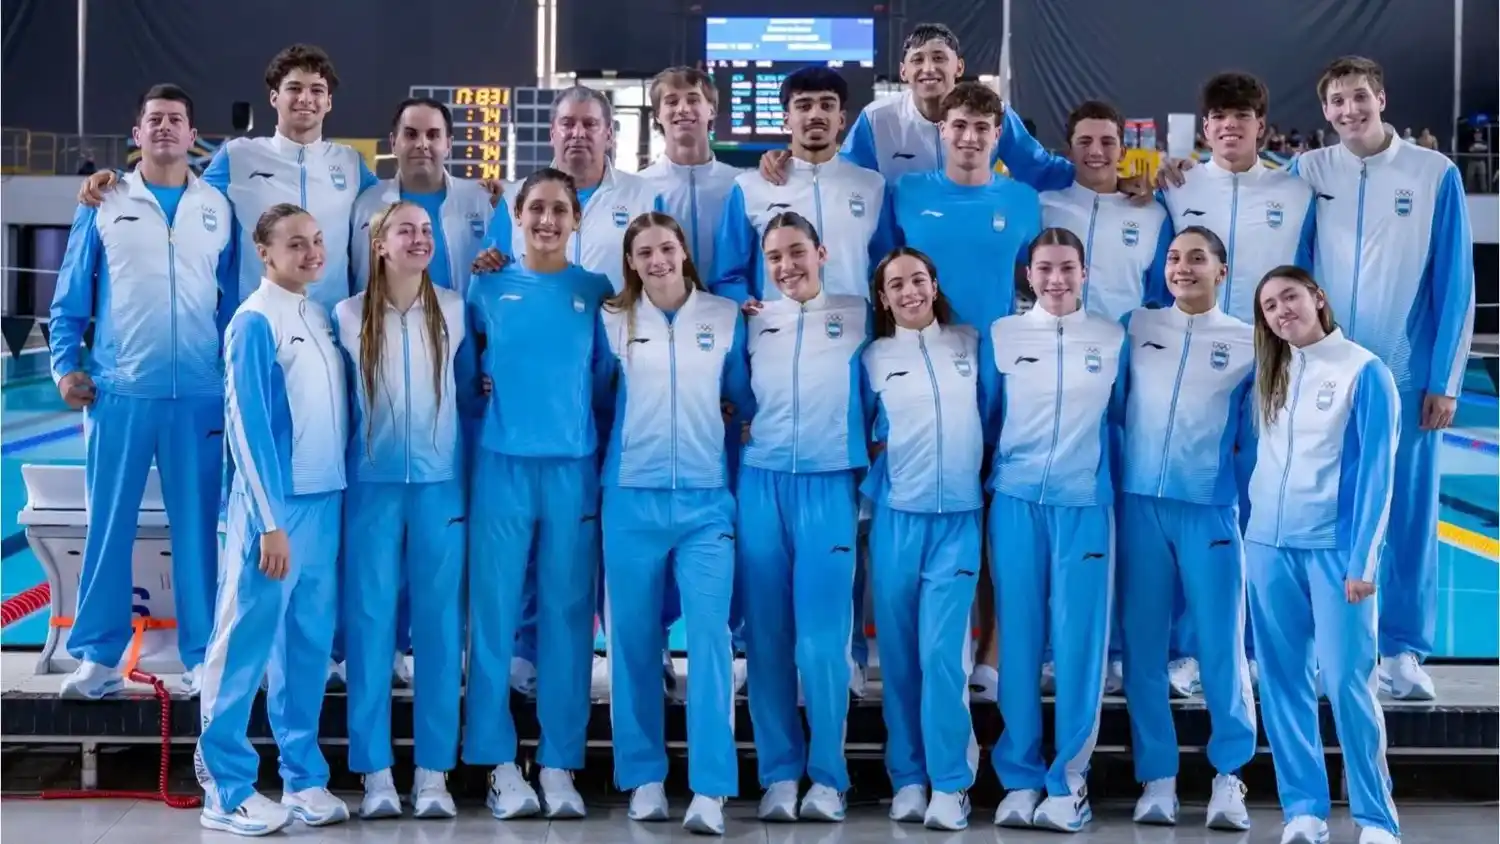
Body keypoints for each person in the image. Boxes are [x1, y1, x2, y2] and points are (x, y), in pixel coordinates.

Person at [1290, 56, 1475, 702]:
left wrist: (1445, 380)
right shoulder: (1310, 171)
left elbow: (1456, 284)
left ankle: (1402, 649)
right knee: (1329, 512)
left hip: (1405, 375)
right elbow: (1280, 248)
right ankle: (1334, 646)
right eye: (1337, 101)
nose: (1350, 110)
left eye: (1360, 97)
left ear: (1382, 98)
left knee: (1408, 514)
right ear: (1325, 110)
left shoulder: (1434, 173)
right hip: (1328, 376)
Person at [49, 83, 234, 700]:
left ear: (192, 136)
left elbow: (233, 306)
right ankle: (99, 657)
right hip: (120, 393)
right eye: (154, 119)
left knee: (198, 532)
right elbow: (70, 297)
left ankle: (202, 655)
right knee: (109, 527)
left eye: (175, 119)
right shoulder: (104, 201)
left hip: (200, 398)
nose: (164, 128)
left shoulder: (217, 207)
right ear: (137, 134)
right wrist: (63, 367)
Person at [593, 211, 754, 835]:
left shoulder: (723, 316)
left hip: (705, 502)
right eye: (644, 252)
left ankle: (710, 788)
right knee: (632, 641)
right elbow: (598, 400)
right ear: (631, 262)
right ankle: (644, 778)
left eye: (666, 248)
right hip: (630, 497)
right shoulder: (612, 320)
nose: (657, 260)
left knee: (709, 640)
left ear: (684, 251)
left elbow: (740, 396)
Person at [194, 204, 349, 836]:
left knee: (306, 648)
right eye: (296, 244)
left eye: (317, 241)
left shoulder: (317, 315)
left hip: (324, 502)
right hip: (274, 511)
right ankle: (225, 787)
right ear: (264, 252)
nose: (312, 253)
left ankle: (302, 777)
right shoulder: (254, 320)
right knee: (243, 644)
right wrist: (267, 522)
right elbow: (247, 426)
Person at [462, 168, 612, 821]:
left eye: (560, 210)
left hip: (572, 470)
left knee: (568, 619)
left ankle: (558, 763)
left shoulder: (595, 291)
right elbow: (467, 376)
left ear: (576, 220)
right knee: (493, 617)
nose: (547, 220)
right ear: (516, 217)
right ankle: (498, 764)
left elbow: (605, 381)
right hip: (502, 466)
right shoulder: (486, 286)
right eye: (536, 209)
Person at [1245, 266, 1401, 844]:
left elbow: (1379, 475)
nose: (1281, 311)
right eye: (1269, 306)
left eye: (1289, 297)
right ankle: (1304, 811)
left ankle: (1375, 818)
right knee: (1282, 684)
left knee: (1348, 685)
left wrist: (1364, 562)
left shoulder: (1365, 371)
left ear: (1318, 298)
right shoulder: (1272, 370)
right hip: (1268, 546)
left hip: (1335, 554)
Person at [984, 228, 1126, 834]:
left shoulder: (1113, 337)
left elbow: (1123, 418)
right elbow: (988, 416)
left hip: (1083, 507)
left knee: (1077, 644)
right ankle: (1019, 777)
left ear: (1085, 272)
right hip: (1016, 504)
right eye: (1044, 268)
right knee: (1018, 642)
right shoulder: (1003, 334)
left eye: (1067, 267)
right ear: (1029, 274)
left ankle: (1069, 780)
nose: (1056, 279)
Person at [333, 200, 469, 820]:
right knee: (369, 629)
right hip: (372, 488)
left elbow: (472, 391)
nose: (420, 238)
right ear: (379, 244)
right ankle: (376, 773)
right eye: (405, 230)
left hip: (440, 488)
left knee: (440, 630)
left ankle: (434, 774)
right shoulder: (346, 315)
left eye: (426, 230)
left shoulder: (456, 309)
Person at [1117, 226, 1257, 831]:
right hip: (1140, 507)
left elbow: (1254, 436)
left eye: (1197, 258)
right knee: (1143, 649)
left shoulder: (1249, 342)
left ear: (1221, 271)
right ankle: (1158, 776)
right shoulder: (1138, 327)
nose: (1182, 268)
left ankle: (1230, 775)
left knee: (1221, 644)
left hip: (1209, 509)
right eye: (1174, 257)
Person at [737, 212, 869, 824]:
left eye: (797, 252)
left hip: (828, 485)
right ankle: (779, 775)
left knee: (821, 643)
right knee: (766, 643)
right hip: (761, 485)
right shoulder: (752, 322)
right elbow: (733, 396)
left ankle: (829, 777)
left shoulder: (859, 315)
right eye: (774, 257)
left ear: (821, 252)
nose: (787, 265)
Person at [78, 45, 377, 312]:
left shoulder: (349, 163)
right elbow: (184, 192)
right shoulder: (238, 156)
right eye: (294, 88)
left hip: (327, 327)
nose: (305, 98)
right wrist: (122, 179)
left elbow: (389, 201)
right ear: (274, 98)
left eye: (317, 90)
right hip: (256, 322)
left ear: (328, 102)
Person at [861, 247, 985, 833]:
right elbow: (858, 430)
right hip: (897, 521)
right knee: (900, 658)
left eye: (917, 280)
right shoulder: (873, 359)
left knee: (941, 657)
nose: (909, 291)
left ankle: (951, 783)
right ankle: (908, 778)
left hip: (958, 520)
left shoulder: (970, 345)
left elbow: (995, 416)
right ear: (883, 299)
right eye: (896, 285)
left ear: (934, 285)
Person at [760, 23, 1075, 191]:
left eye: (939, 58)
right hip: (901, 262)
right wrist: (790, 162)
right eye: (918, 60)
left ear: (959, 67)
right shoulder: (878, 119)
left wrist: (1098, 175)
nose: (928, 68)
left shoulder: (992, 114)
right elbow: (841, 176)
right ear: (903, 71)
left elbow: (1041, 169)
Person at [714, 66, 892, 303]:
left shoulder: (872, 186)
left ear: (841, 119)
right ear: (786, 119)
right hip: (777, 324)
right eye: (804, 106)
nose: (815, 114)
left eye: (827, 105)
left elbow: (887, 269)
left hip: (855, 323)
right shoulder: (749, 188)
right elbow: (727, 276)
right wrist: (746, 305)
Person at [885, 81, 1041, 335]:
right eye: (959, 125)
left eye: (981, 127)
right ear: (942, 130)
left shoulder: (1023, 199)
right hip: (926, 344)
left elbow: (1037, 276)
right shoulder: (907, 191)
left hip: (994, 347)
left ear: (997, 135)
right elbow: (884, 269)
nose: (970, 137)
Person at [1158, 73, 1315, 323]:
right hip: (1194, 334)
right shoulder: (1176, 187)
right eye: (1219, 116)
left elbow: (1310, 270)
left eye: (1242, 115)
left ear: (1260, 126)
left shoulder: (1297, 193)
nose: (1230, 124)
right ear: (1206, 128)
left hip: (1267, 337)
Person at [476, 85, 662, 292]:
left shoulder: (644, 196)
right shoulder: (513, 198)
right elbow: (492, 272)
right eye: (567, 123)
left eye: (590, 124)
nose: (578, 133)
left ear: (609, 135)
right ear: (552, 133)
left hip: (618, 313)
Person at [1042, 99, 1172, 320]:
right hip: (1055, 339)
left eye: (1107, 142)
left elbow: (1161, 297)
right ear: (1069, 152)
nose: (1096, 151)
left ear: (1122, 152)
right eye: (1084, 142)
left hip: (1122, 340)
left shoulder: (1154, 215)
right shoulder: (1044, 207)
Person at [353, 98, 496, 298]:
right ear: (393, 143)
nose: (422, 144)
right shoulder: (366, 205)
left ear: (448, 144)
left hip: (462, 319)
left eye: (433, 135)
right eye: (411, 134)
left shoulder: (480, 202)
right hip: (381, 319)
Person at [638, 67, 742, 273]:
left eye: (693, 100)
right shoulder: (639, 187)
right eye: (671, 102)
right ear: (657, 115)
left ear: (711, 110)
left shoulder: (740, 184)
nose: (683, 109)